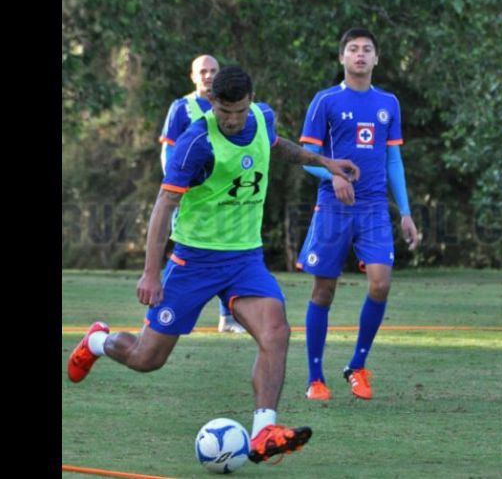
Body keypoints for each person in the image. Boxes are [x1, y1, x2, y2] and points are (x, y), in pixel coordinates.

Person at [67, 66, 360, 464]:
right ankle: (97, 341)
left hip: (244, 258)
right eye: (224, 111)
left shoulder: (262, 117)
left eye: (239, 110)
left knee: (276, 331)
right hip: (194, 261)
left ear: (250, 101)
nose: (232, 119)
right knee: (146, 358)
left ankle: (263, 431)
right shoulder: (195, 144)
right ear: (212, 103)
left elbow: (275, 145)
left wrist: (322, 161)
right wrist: (151, 272)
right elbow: (163, 206)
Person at [296, 27, 419, 402]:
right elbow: (305, 157)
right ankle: (315, 378)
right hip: (333, 208)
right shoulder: (326, 100)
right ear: (342, 58)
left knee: (381, 283)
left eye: (367, 49)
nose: (360, 54)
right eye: (353, 49)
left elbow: (393, 159)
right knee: (324, 289)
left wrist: (406, 212)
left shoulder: (389, 103)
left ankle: (357, 366)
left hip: (374, 209)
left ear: (377, 59)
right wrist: (332, 173)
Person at [158, 55, 244, 333]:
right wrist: (175, 186)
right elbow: (169, 150)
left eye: (213, 71)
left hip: (227, 196)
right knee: (188, 248)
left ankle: (227, 318)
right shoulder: (181, 107)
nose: (208, 75)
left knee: (228, 247)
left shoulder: (234, 107)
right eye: (202, 71)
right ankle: (164, 312)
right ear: (193, 76)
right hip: (192, 197)